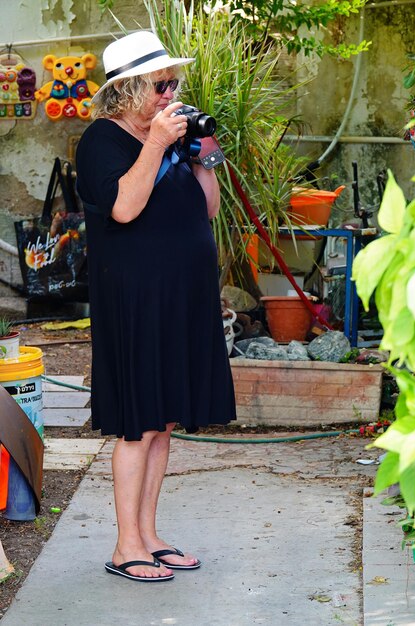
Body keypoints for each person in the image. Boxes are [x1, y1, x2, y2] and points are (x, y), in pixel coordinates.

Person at [76, 30, 236, 583]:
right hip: (135, 298)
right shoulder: (102, 140)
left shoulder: (168, 137)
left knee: (163, 421)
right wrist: (156, 145)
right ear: (127, 91)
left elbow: (206, 211)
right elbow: (123, 208)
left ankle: (148, 534)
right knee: (136, 423)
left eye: (173, 83)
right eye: (160, 85)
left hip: (181, 296)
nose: (170, 94)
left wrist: (204, 158)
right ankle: (125, 546)